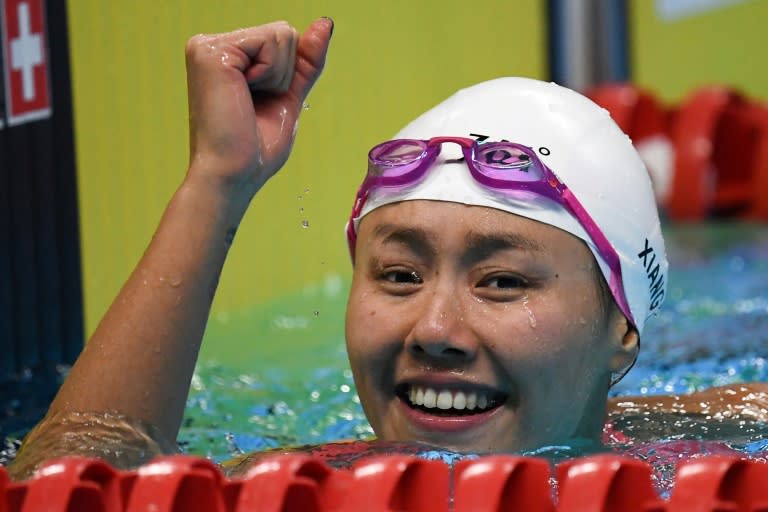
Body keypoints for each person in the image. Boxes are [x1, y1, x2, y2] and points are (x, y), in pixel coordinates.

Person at [8, 18, 767, 480]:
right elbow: (65, 487)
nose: (432, 330)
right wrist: (216, 186)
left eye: (501, 282)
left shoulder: (694, 461)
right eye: (398, 275)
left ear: (623, 329)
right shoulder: (299, 482)